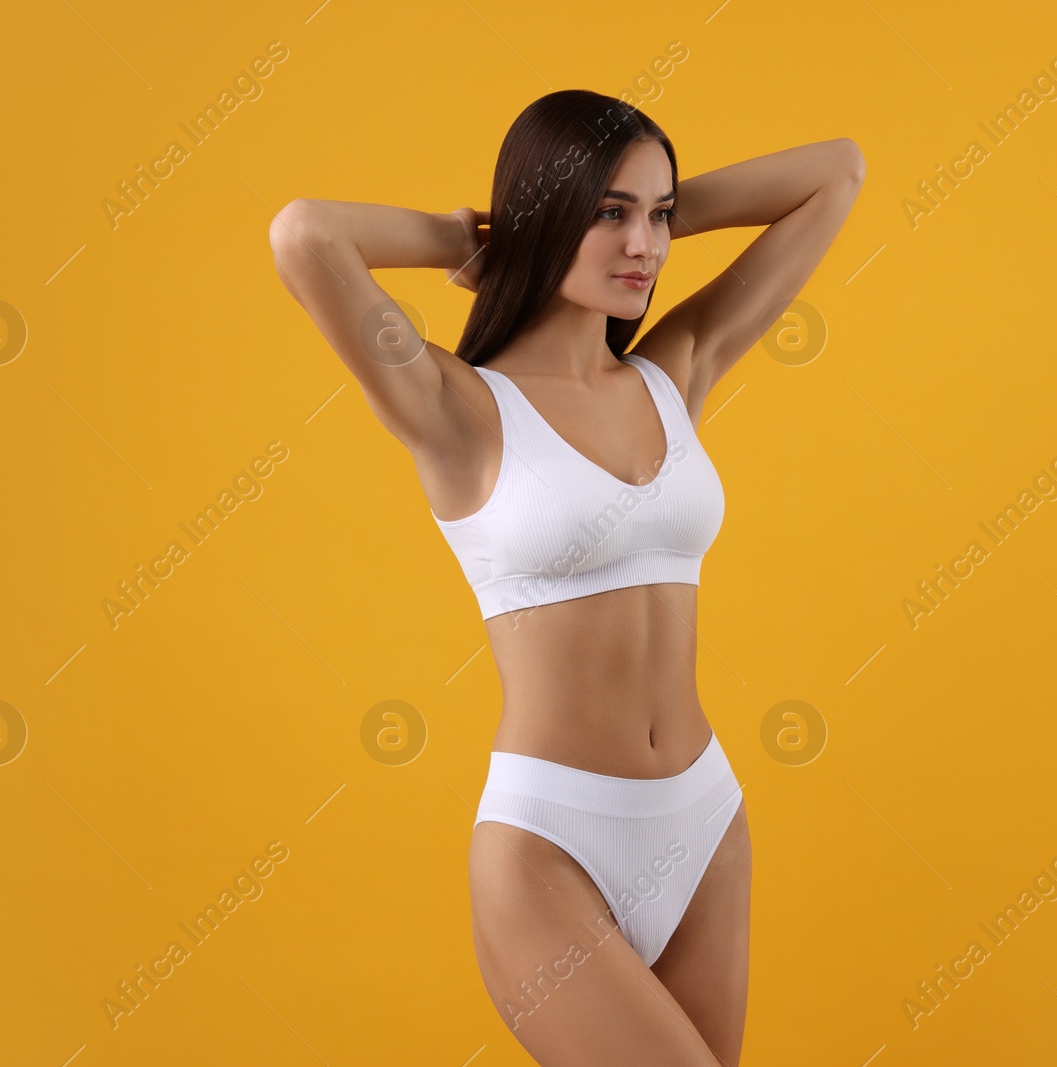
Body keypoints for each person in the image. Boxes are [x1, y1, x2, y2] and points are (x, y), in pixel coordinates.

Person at [269, 89, 863, 1066]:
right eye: (609, 214)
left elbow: (835, 170)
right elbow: (304, 237)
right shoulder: (454, 409)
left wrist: (640, 209)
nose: (647, 245)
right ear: (550, 216)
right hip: (551, 845)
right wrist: (481, 235)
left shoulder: (676, 368)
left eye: (659, 215)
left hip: (703, 819)